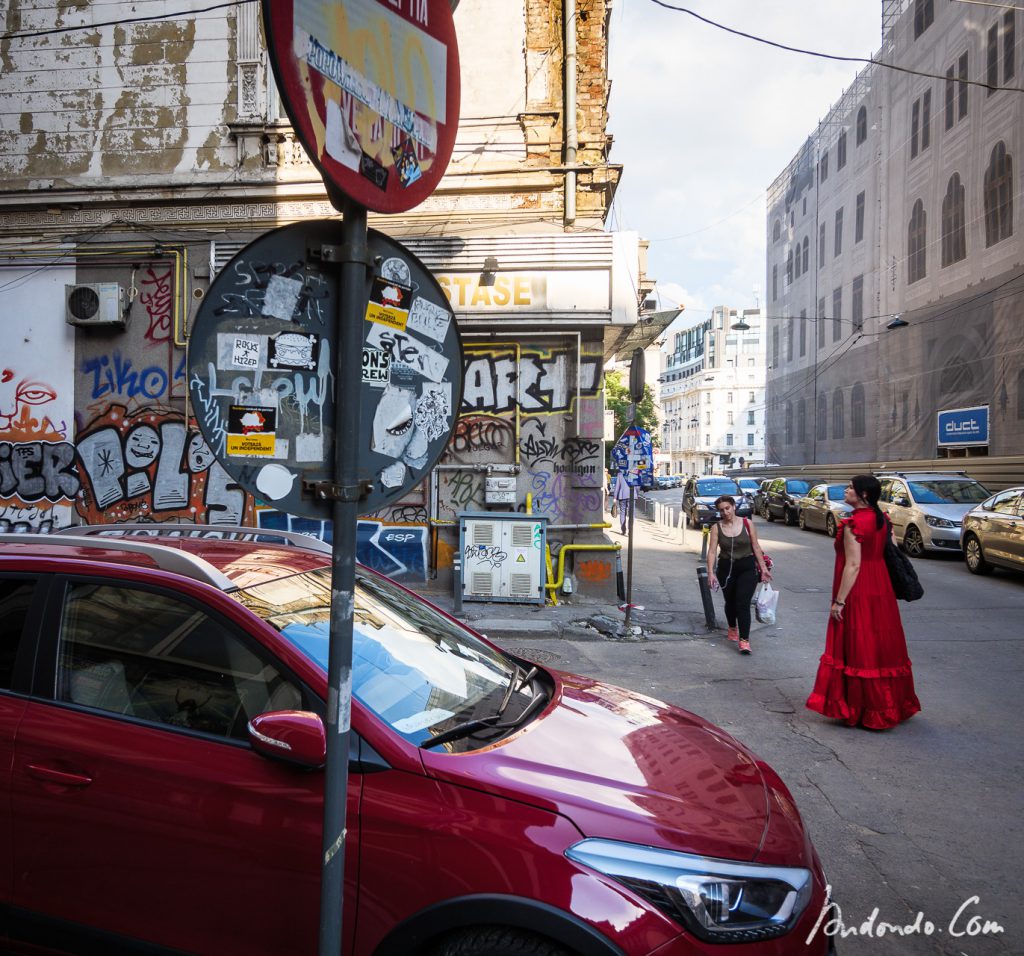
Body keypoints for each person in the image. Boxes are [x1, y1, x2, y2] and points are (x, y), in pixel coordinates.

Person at [806, 474, 921, 730]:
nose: (846, 491)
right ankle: (889, 704)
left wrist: (839, 601)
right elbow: (889, 552)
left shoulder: (853, 524)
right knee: (880, 645)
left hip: (859, 591)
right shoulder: (883, 520)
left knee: (860, 646)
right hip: (882, 588)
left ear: (863, 495)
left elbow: (854, 565)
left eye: (850, 488)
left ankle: (861, 707)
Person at [707, 495, 771, 654]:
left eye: (727, 508)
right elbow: (712, 551)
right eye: (722, 510)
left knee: (742, 603)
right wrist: (710, 573)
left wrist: (763, 569)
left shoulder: (747, 524)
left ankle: (744, 640)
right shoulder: (716, 528)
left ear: (734, 507)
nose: (725, 512)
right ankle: (732, 627)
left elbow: (756, 547)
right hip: (726, 569)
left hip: (747, 568)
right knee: (730, 602)